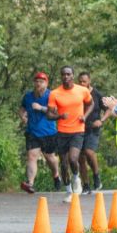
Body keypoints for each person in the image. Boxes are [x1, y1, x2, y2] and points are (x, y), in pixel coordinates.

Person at [47, 66, 93, 203]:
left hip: (78, 130)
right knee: (64, 164)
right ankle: (68, 191)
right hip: (62, 132)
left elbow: (91, 104)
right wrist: (59, 116)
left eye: (68, 74)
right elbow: (49, 114)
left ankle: (76, 178)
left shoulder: (82, 91)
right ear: (61, 77)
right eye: (63, 74)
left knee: (73, 159)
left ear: (73, 76)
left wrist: (85, 116)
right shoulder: (55, 93)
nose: (66, 76)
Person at [19, 72, 60, 194]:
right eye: (36, 81)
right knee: (32, 156)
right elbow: (22, 109)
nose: (38, 83)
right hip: (32, 132)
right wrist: (23, 116)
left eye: (41, 81)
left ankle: (56, 176)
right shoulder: (28, 96)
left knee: (50, 158)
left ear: (46, 83)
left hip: (49, 132)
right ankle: (30, 183)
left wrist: (41, 108)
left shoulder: (51, 95)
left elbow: (57, 112)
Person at [77, 72, 106, 194]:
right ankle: (86, 184)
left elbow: (109, 109)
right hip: (78, 128)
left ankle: (96, 175)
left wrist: (101, 120)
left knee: (89, 152)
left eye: (84, 81)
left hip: (92, 128)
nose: (82, 84)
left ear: (89, 81)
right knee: (80, 158)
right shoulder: (76, 93)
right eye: (80, 81)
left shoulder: (97, 94)